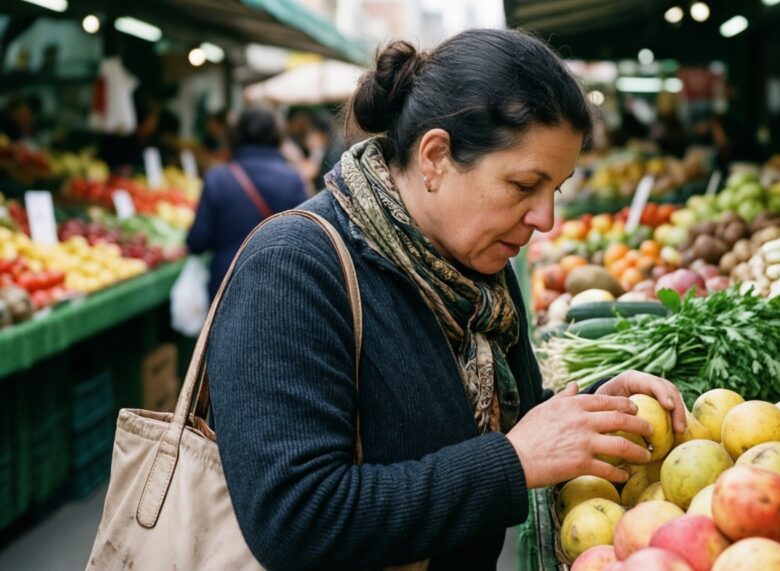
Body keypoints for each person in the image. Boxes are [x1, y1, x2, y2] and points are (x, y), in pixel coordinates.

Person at [205, 29, 687, 569]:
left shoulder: (479, 271)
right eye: (524, 185)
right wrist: (512, 462)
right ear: (434, 157)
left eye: (557, 188)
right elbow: (295, 519)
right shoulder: (293, 268)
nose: (545, 220)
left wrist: (595, 407)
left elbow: (513, 420)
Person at [186, 107, 307, 299]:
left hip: (226, 287)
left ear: (236, 135)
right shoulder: (293, 179)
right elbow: (305, 239)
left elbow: (197, 241)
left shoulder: (218, 178)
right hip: (280, 287)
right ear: (277, 135)